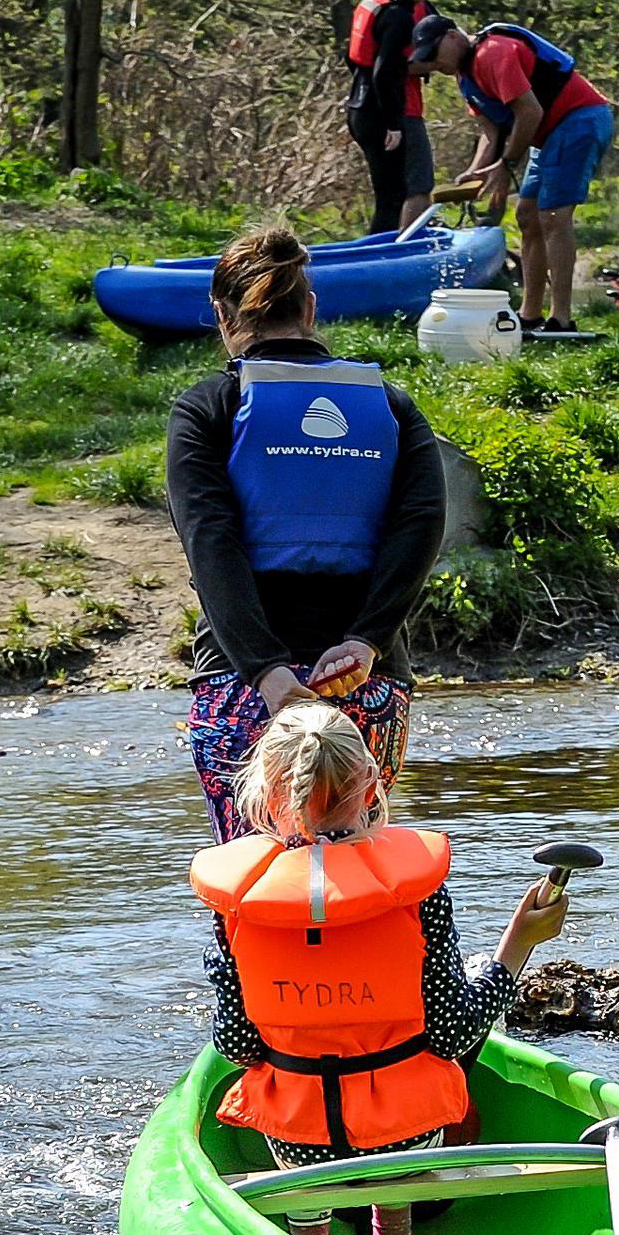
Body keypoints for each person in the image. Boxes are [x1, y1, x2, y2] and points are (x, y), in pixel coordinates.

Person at [192, 701, 567, 1235]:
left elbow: (236, 1046)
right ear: (371, 782)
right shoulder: (416, 890)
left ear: (267, 792)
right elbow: (452, 1033)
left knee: (299, 1150)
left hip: (299, 1142)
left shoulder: (238, 904)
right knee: (428, 1073)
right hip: (406, 1137)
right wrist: (517, 944)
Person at [164, 225, 449, 839]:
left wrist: (268, 673)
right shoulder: (392, 406)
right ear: (311, 309)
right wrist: (367, 641)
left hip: (242, 686)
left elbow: (210, 541)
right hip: (365, 682)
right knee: (360, 870)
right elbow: (421, 526)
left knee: (254, 883)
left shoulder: (205, 407)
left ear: (222, 314)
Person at [416, 13, 614, 333]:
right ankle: (530, 313)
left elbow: (529, 110)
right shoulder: (465, 77)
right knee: (527, 216)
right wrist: (477, 172)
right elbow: (491, 133)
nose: (432, 65)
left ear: (453, 37)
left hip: (579, 120)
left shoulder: (493, 52)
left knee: (553, 216)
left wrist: (507, 165)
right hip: (548, 134)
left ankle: (561, 317)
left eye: (433, 54)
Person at [344, 0, 448, 234]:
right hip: (383, 112)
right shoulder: (401, 14)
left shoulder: (373, 3)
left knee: (387, 196)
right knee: (397, 197)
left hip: (358, 105)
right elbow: (383, 72)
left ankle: (378, 257)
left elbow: (353, 58)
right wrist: (393, 123)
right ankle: (386, 261)